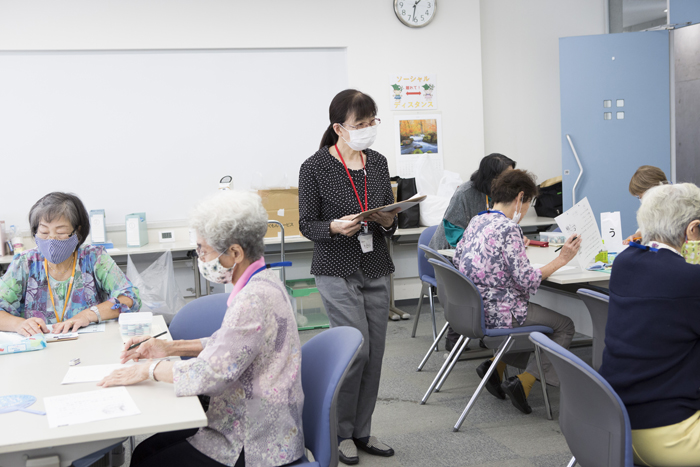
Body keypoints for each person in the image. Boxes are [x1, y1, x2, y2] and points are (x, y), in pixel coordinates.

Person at [100, 190, 304, 467]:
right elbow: (231, 342)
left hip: (255, 440)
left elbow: (213, 373)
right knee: (145, 452)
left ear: (235, 252)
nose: (199, 257)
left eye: (203, 250)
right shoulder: (265, 280)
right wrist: (169, 347)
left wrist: (148, 370)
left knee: (147, 462)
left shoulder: (252, 299)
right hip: (254, 419)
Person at [298, 89, 398, 465]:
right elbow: (308, 224)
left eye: (373, 121)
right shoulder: (315, 167)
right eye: (361, 124)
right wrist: (335, 228)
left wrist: (388, 219)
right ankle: (339, 432)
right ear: (339, 128)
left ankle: (362, 431)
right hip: (336, 269)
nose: (369, 129)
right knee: (356, 353)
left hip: (374, 266)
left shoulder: (378, 162)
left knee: (376, 355)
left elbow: (388, 216)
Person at [452, 169, 581, 414]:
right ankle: (525, 382)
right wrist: (562, 259)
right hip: (502, 311)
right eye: (530, 202)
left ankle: (497, 367)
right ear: (521, 197)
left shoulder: (478, 219)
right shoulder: (509, 228)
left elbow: (461, 259)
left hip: (476, 306)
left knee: (536, 325)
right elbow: (527, 280)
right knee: (565, 326)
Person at [599, 183, 700, 467]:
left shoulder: (624, 262)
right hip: (670, 435)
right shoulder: (690, 282)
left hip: (617, 422)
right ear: (693, 230)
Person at [0, 192, 140, 336]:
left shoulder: (94, 258)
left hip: (89, 345)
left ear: (77, 232)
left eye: (60, 232)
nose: (52, 239)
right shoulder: (25, 263)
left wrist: (88, 315)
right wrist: (19, 324)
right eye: (44, 232)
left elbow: (130, 297)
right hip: (40, 346)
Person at [428, 153, 516, 351]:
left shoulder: (503, 193)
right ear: (492, 176)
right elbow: (452, 229)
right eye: (507, 175)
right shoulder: (466, 192)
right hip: (450, 251)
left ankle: (490, 335)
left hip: (481, 253)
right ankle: (455, 334)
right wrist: (479, 246)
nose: (511, 180)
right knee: (481, 280)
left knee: (498, 276)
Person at [623, 165, 669, 245]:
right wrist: (638, 235)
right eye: (639, 198)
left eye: (641, 197)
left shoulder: (675, 208)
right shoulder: (655, 209)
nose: (642, 201)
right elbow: (650, 227)